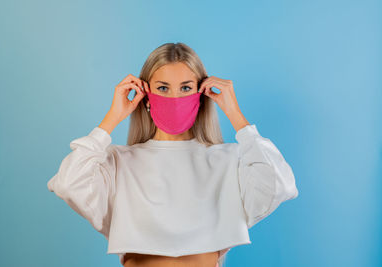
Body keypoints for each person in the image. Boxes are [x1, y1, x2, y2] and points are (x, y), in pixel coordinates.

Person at [47, 42, 299, 267]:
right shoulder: (119, 162)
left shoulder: (227, 160)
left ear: (200, 95)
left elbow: (279, 184)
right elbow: (69, 183)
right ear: (146, 97)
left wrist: (236, 116)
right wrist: (112, 118)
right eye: (163, 88)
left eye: (186, 88)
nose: (175, 97)